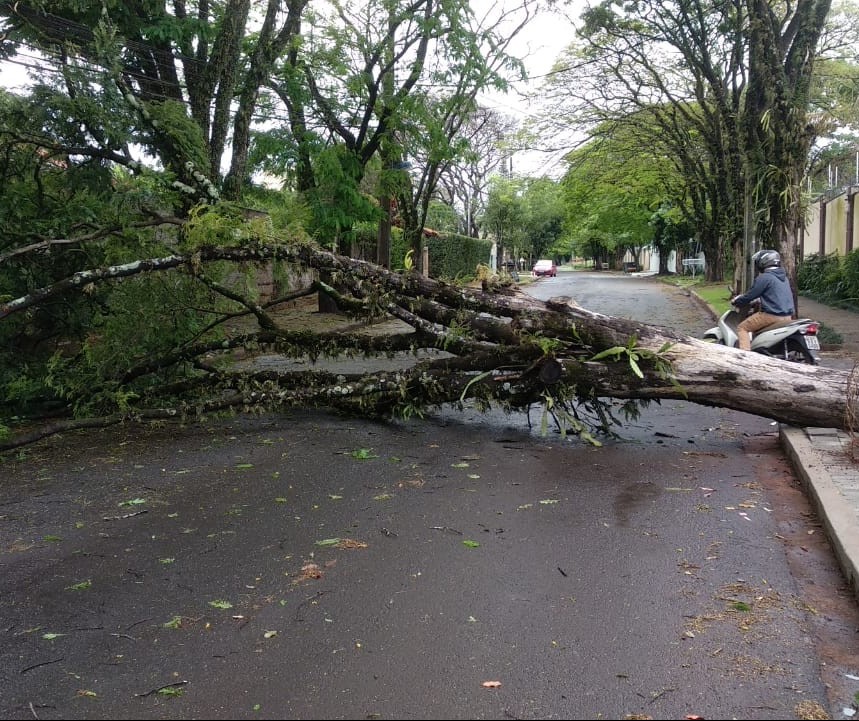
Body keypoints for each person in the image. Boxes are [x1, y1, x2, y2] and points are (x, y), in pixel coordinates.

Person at [731, 249, 795, 351]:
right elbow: (775, 295)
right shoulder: (784, 278)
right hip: (787, 317)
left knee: (742, 328)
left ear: (763, 262)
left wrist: (737, 301)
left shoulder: (765, 278)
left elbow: (750, 296)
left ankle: (745, 356)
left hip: (771, 316)